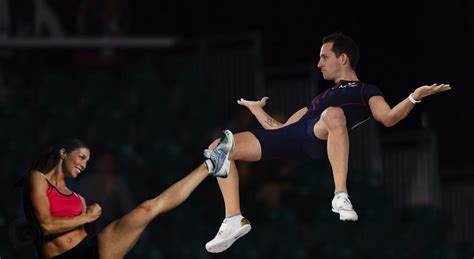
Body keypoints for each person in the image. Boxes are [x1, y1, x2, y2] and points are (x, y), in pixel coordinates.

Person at [203, 32, 452, 253]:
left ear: (342, 59)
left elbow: (388, 118)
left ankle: (340, 194)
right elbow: (281, 129)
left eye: (324, 57)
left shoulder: (366, 91)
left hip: (318, 136)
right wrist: (257, 110)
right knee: (218, 148)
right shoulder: (319, 98)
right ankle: (233, 218)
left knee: (334, 114)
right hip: (294, 137)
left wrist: (413, 97)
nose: (319, 64)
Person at [22, 133, 233, 259]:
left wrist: (88, 216)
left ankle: (211, 164)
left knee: (148, 209)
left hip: (92, 249)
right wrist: (87, 217)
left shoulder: (78, 198)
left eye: (87, 161)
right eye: (80, 157)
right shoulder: (38, 179)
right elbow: (46, 226)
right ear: (63, 153)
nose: (83, 164)